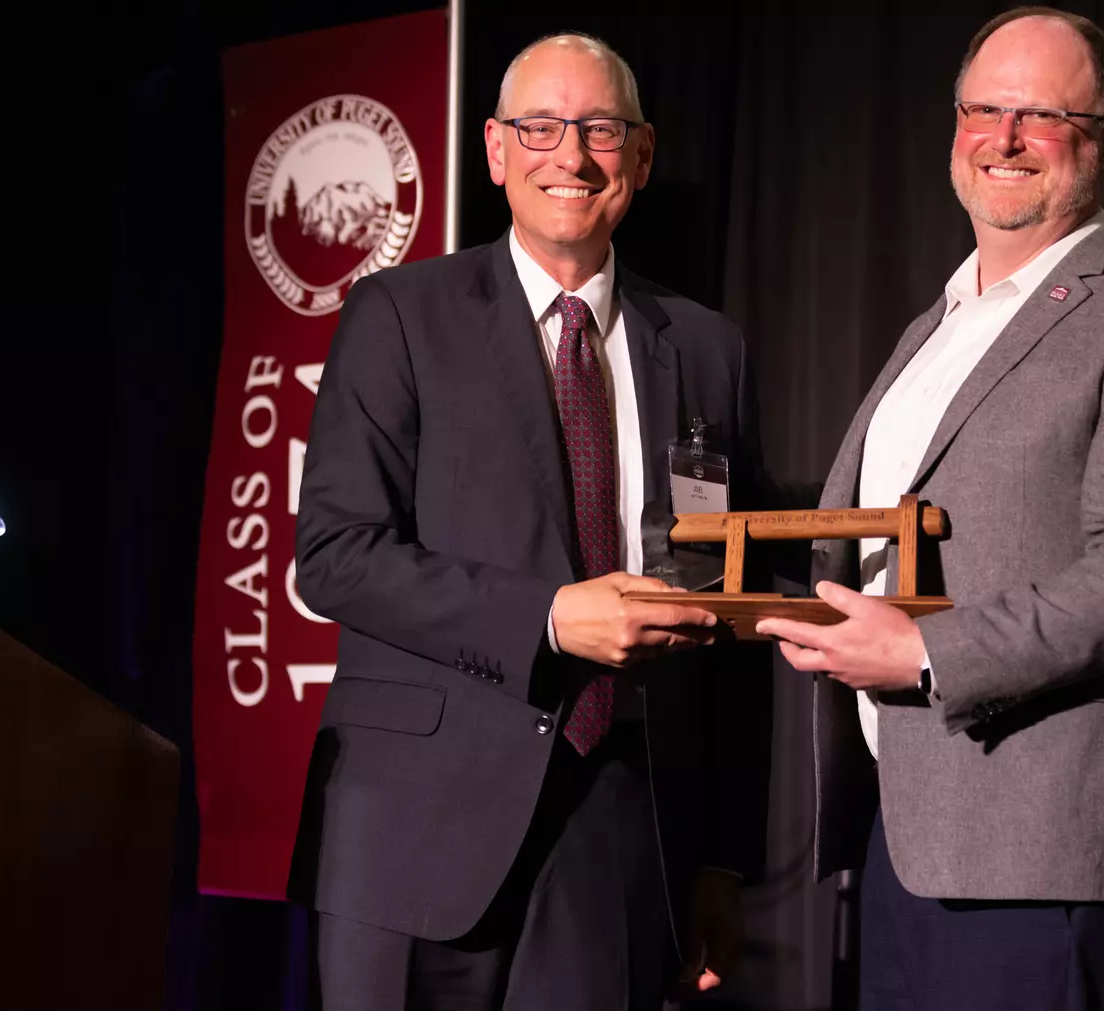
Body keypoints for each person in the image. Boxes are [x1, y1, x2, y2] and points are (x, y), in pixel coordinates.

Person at [757, 8, 1104, 1009]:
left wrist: (929, 654)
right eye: (985, 108)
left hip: (1046, 863)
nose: (1006, 138)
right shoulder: (937, 327)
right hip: (904, 844)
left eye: (1041, 113)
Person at [289, 32, 771, 1011]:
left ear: (641, 155)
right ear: (497, 151)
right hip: (411, 826)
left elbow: (736, 611)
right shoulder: (399, 315)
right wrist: (549, 617)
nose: (572, 155)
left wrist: (721, 860)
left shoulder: (709, 349)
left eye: (599, 128)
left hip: (621, 827)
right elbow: (336, 558)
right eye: (541, 128)